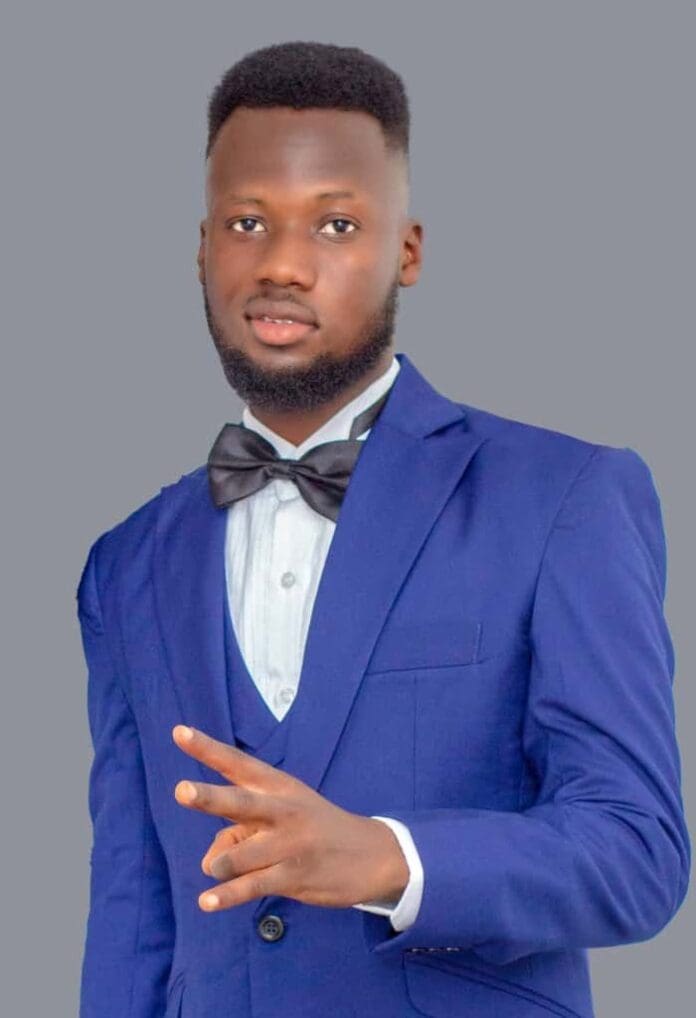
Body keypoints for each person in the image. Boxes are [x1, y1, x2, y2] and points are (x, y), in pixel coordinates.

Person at [76, 40, 690, 1018]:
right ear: (202, 247)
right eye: (247, 221)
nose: (281, 262)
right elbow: (134, 916)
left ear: (405, 247)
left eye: (334, 223)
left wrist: (389, 856)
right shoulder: (124, 565)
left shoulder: (565, 497)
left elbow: (637, 851)